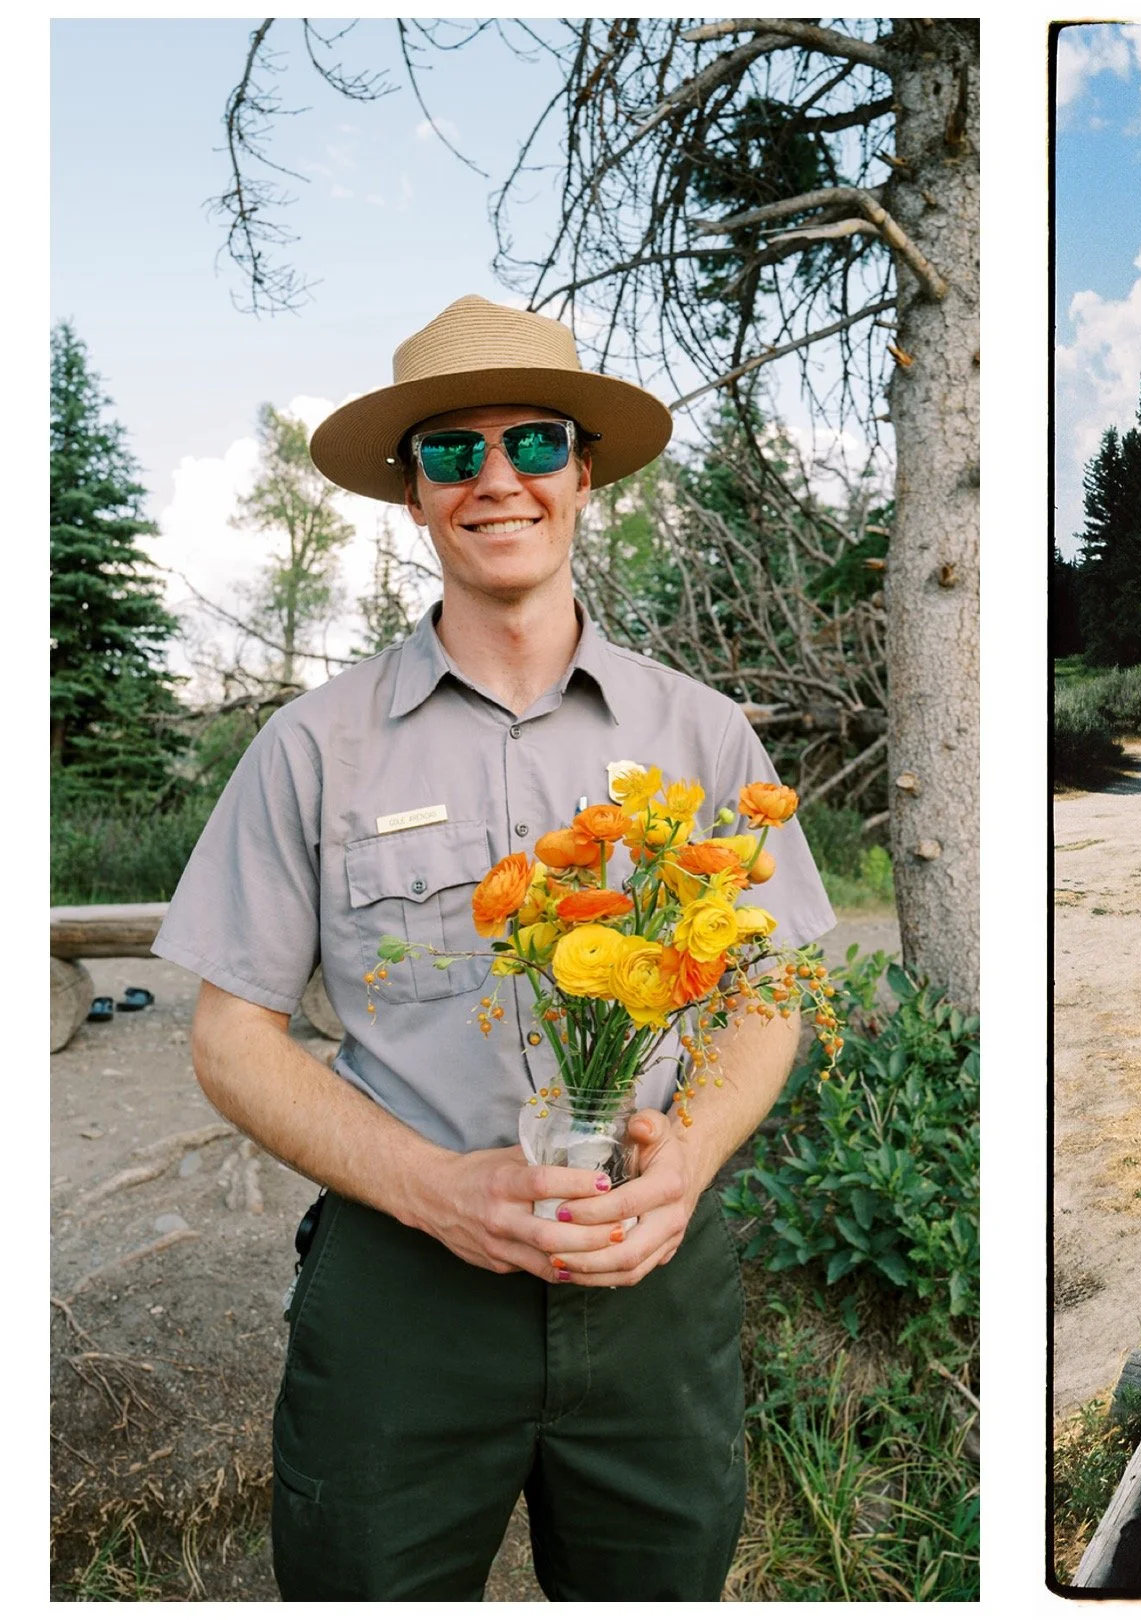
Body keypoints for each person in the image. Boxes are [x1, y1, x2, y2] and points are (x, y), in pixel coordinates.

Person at [152, 294, 836, 1599]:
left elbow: (769, 997)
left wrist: (686, 1160)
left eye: (533, 441)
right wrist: (429, 1190)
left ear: (586, 474)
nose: (498, 478)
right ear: (414, 495)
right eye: (454, 452)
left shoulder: (701, 740)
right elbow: (232, 1037)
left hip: (652, 1280)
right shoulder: (315, 747)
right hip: (404, 1302)